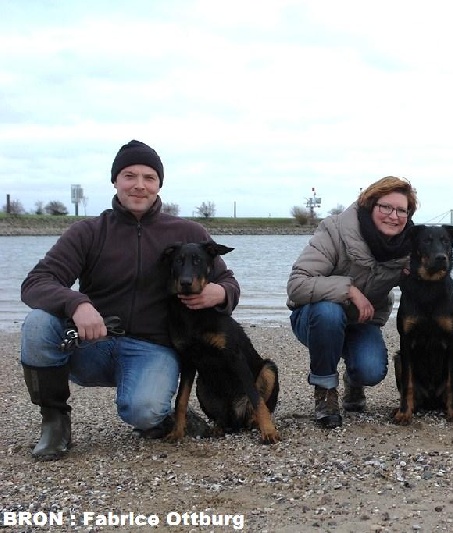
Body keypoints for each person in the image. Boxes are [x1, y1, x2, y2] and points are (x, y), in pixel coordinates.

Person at [20, 140, 240, 460]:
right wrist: (77, 304)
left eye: (149, 177)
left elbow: (229, 282)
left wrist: (221, 293)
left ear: (159, 185)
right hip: (92, 344)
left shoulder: (188, 232)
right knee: (38, 324)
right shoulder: (88, 232)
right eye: (129, 176)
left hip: (153, 348)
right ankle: (55, 423)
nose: (139, 185)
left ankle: (163, 415)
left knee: (145, 412)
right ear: (115, 181)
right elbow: (36, 282)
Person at [287, 176, 417, 428]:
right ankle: (325, 391)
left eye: (402, 210)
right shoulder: (334, 230)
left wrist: (417, 276)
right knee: (328, 312)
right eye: (386, 207)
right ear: (370, 205)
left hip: (361, 321)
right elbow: (297, 285)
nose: (393, 216)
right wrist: (349, 290)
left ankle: (353, 381)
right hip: (315, 318)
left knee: (371, 370)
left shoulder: (409, 247)